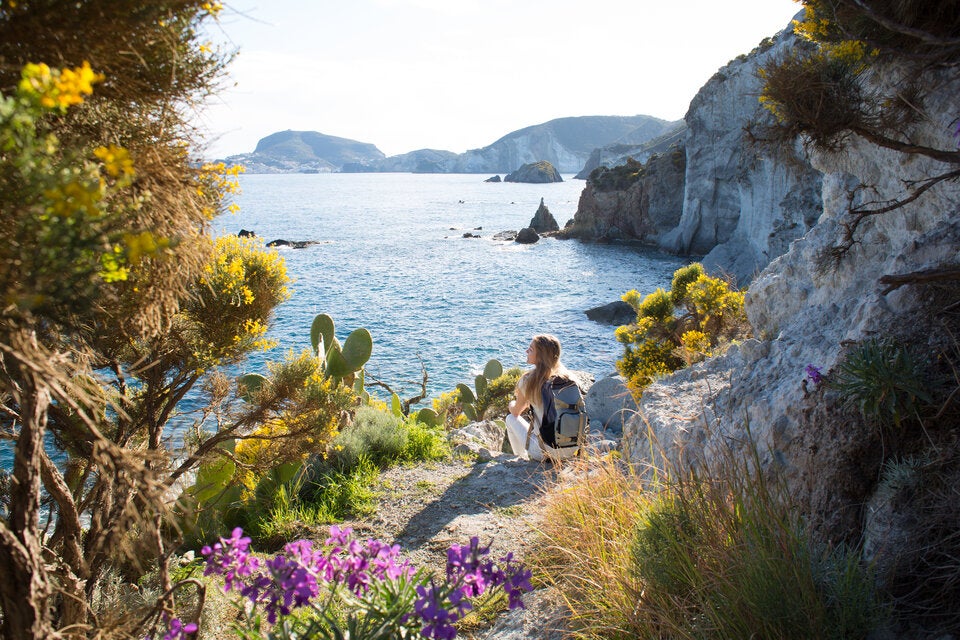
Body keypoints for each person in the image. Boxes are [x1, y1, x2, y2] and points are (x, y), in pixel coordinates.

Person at [505, 334, 580, 462]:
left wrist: (511, 404)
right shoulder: (570, 378)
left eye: (531, 349)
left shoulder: (528, 380)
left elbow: (516, 411)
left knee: (510, 418)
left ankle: (521, 459)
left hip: (545, 452)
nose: (526, 351)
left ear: (540, 356)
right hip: (573, 449)